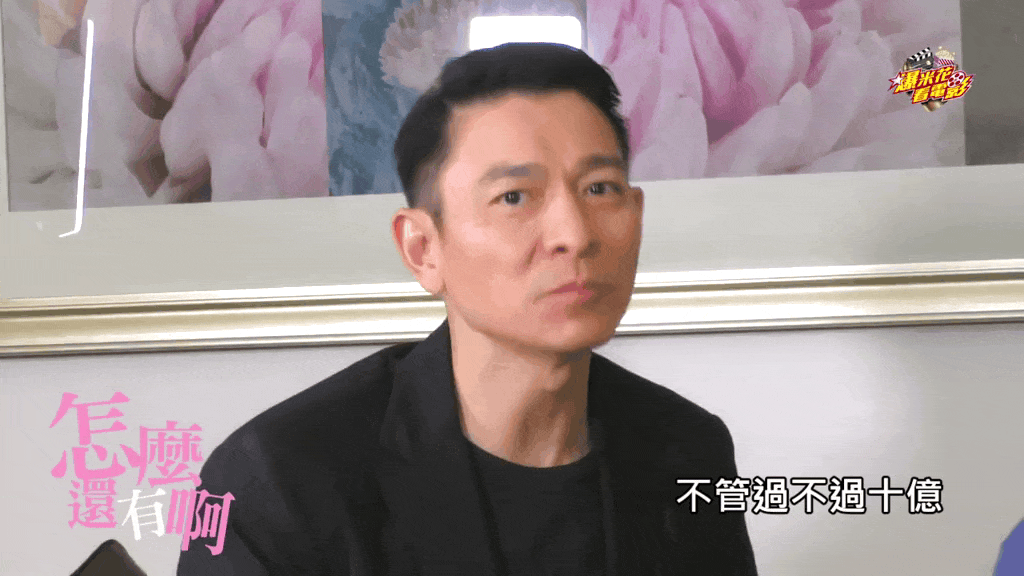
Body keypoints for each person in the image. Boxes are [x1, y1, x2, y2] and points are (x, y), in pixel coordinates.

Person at [177, 42, 758, 576]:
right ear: (423, 249)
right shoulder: (272, 480)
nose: (575, 235)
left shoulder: (689, 449)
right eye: (514, 197)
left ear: (638, 212)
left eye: (600, 188)